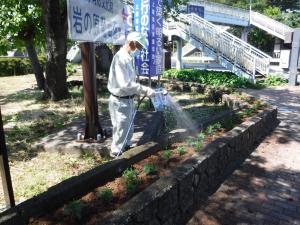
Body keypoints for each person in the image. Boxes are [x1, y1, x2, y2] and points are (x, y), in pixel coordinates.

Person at [107, 31, 155, 157]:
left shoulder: (128, 57)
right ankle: (116, 156)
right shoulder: (120, 58)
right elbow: (125, 84)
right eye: (138, 47)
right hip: (120, 100)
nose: (139, 50)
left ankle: (127, 150)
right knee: (120, 129)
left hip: (127, 100)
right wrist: (144, 90)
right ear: (131, 43)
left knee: (128, 127)